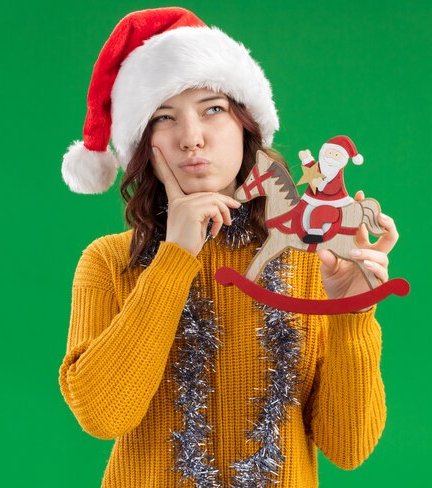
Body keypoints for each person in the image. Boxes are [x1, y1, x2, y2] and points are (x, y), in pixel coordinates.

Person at [59, 7, 398, 487]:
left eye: (213, 109)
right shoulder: (110, 262)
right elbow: (100, 416)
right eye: (164, 117)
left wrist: (349, 313)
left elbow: (349, 447)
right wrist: (174, 257)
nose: (191, 138)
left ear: (247, 125)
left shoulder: (312, 259)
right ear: (142, 143)